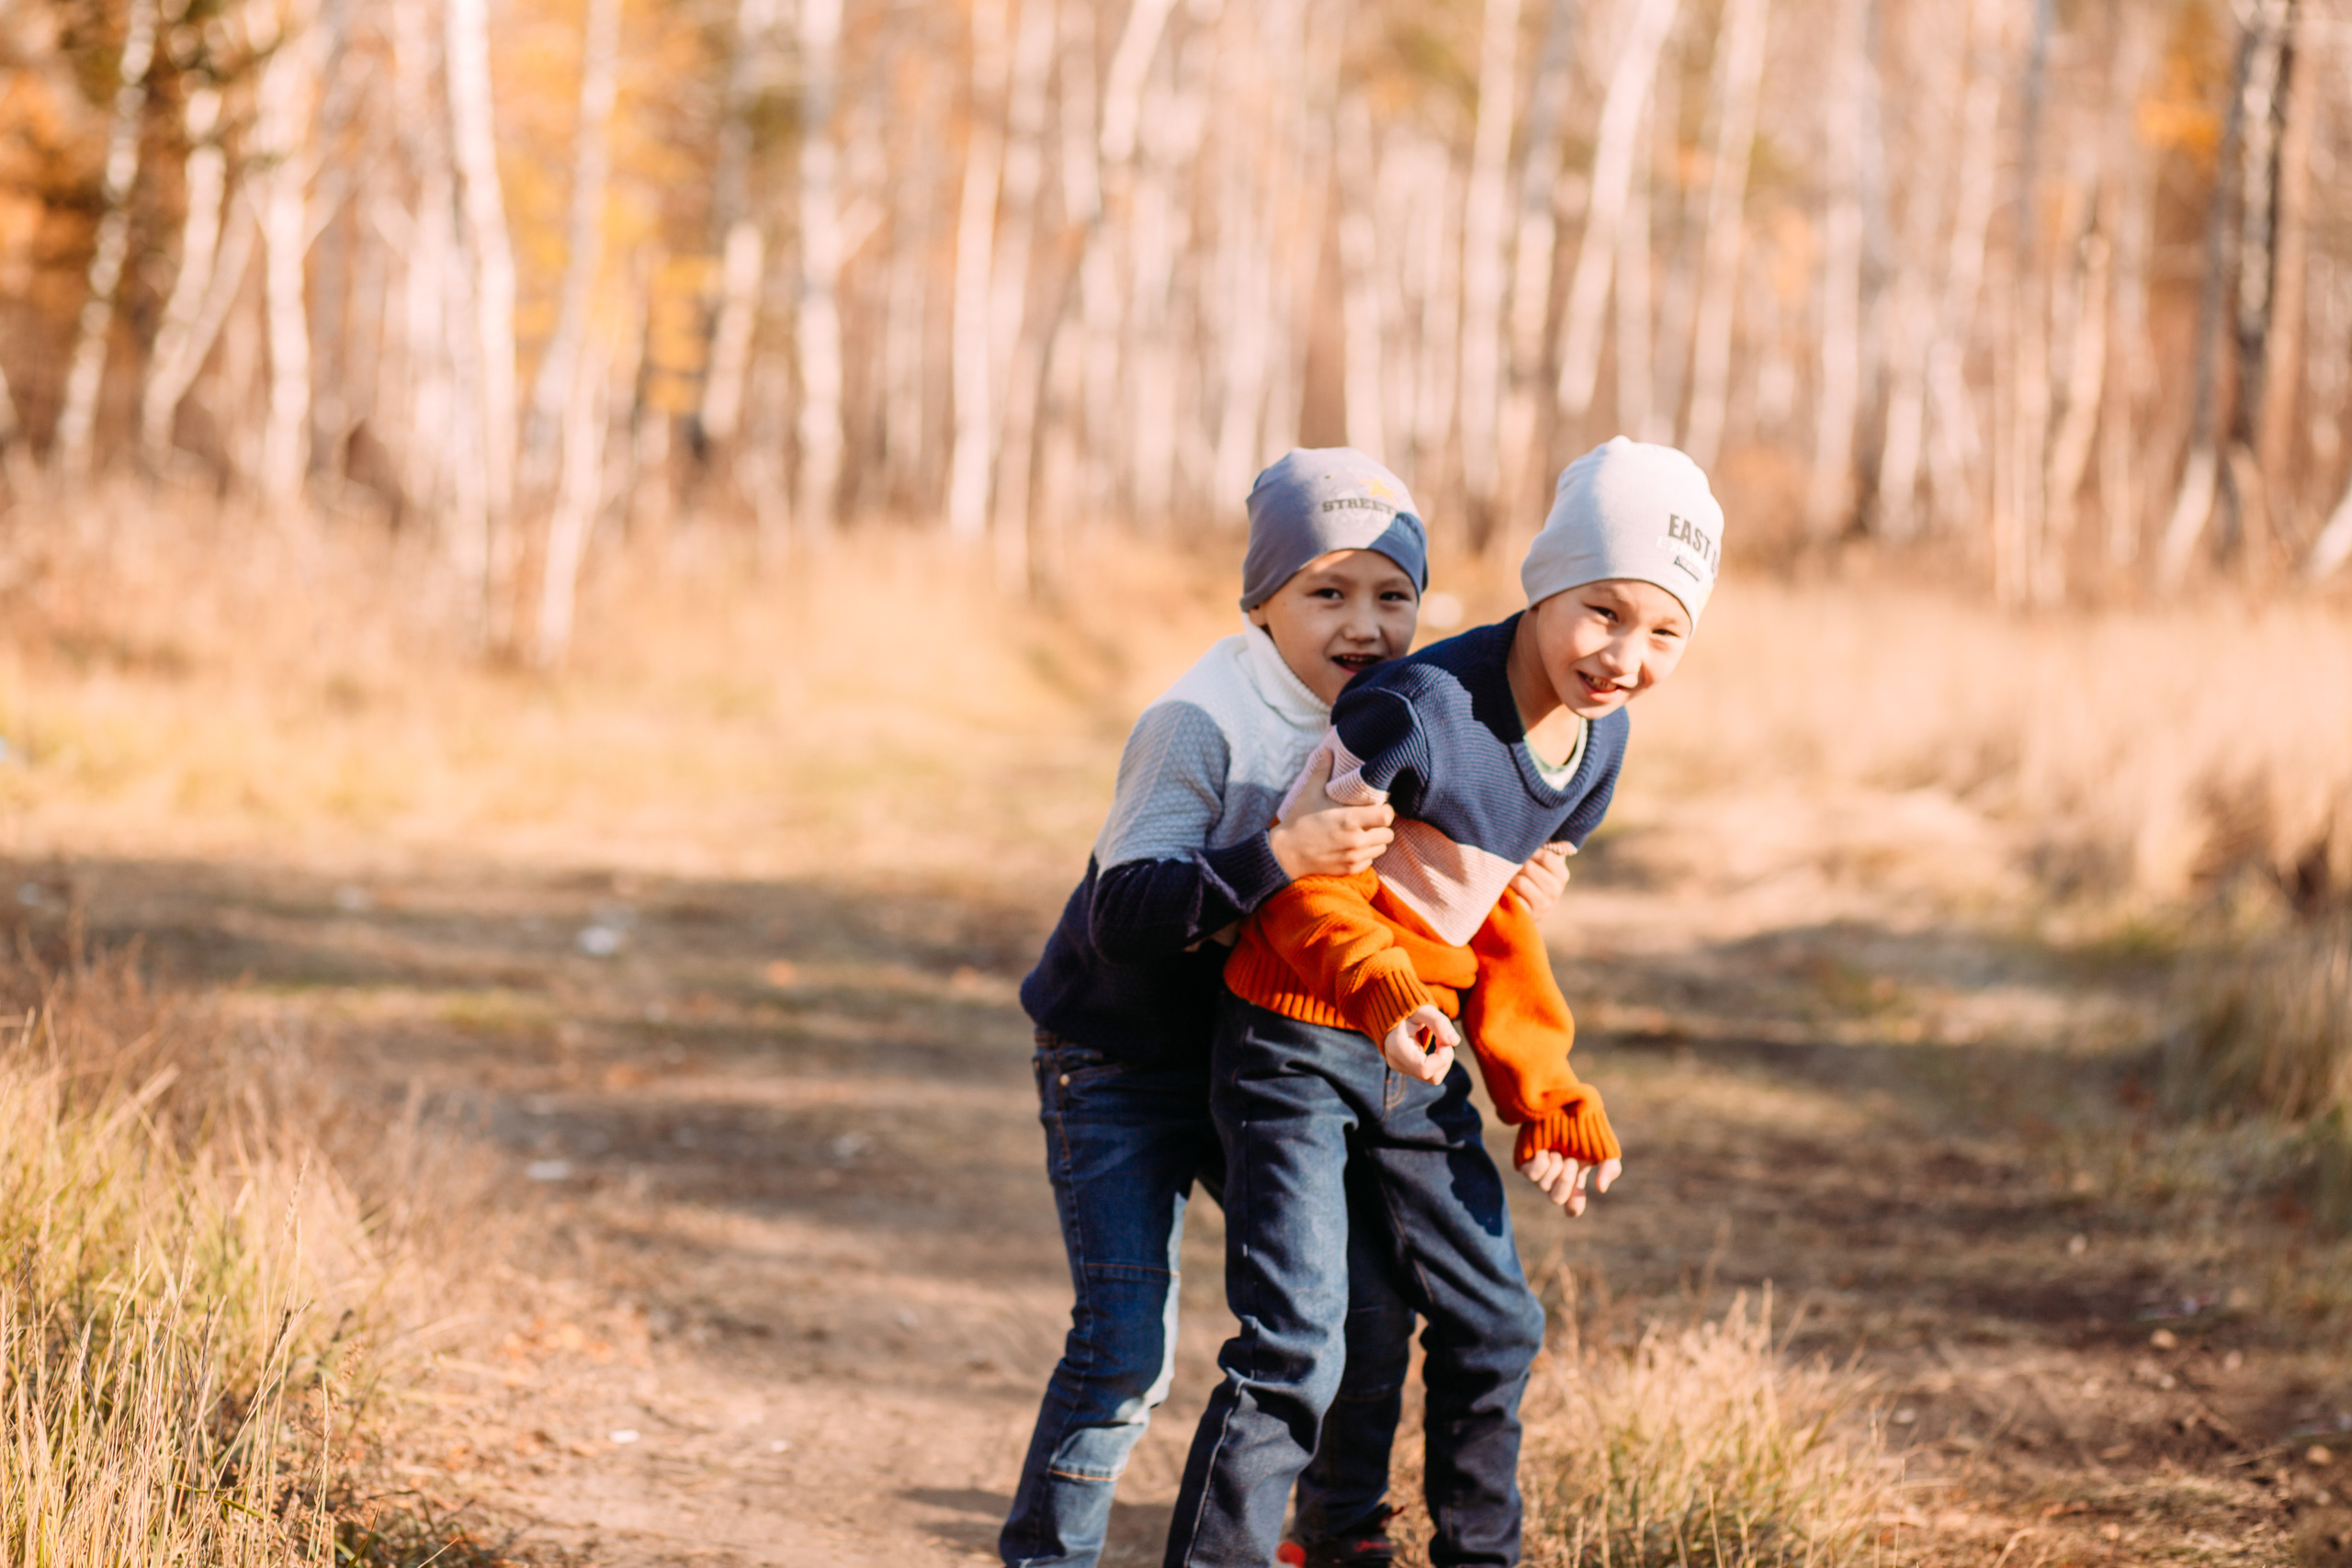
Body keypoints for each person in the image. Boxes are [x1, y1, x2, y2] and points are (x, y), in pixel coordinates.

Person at [1164, 437, 1726, 1568]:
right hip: (1294, 1031)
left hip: (1412, 1049)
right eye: (1601, 611)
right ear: (1543, 583)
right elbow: (1298, 888)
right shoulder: (1416, 709)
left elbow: (1494, 923)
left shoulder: (1599, 746)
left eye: (1665, 631)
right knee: (1305, 1339)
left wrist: (1544, 1093)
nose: (1623, 656)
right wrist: (1386, 999)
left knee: (1495, 1320)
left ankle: (1458, 1553)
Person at [1002, 449, 1569, 1568]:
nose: (1364, 625)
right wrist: (1277, 854)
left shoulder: (1400, 717)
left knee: (1359, 1311)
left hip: (1250, 1051)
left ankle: (1331, 1532)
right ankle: (1045, 1556)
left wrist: (1518, 874)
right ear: (1258, 601)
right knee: (1125, 1350)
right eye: (1327, 592)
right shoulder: (1199, 721)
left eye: (1391, 595)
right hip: (1116, 1056)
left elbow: (1430, 879)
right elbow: (1125, 912)